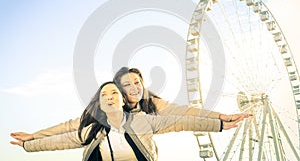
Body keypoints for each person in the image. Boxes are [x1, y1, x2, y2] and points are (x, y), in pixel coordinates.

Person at [11, 81, 244, 161]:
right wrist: (28, 142)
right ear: (100, 105)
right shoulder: (93, 131)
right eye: (103, 95)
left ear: (122, 101)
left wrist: (221, 123)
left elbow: (183, 120)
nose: (109, 97)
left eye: (114, 93)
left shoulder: (144, 122)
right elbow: (61, 139)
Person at [11, 67, 250, 142]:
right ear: (118, 91)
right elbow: (71, 127)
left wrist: (221, 118)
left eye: (138, 82)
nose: (135, 87)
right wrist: (34, 136)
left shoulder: (152, 104)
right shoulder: (107, 110)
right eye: (127, 84)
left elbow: (186, 114)